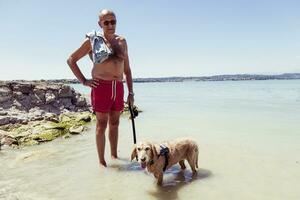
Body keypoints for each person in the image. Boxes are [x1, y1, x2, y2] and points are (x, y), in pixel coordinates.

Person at [67, 9, 134, 167]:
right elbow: (71, 60)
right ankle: (102, 163)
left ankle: (114, 157)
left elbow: (128, 70)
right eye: (106, 22)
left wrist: (131, 93)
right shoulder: (93, 40)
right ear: (100, 24)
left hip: (118, 87)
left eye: (113, 21)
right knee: (101, 124)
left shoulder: (122, 41)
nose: (110, 25)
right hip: (100, 87)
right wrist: (84, 81)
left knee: (115, 123)